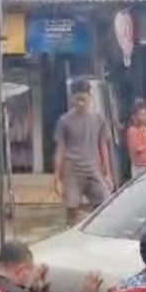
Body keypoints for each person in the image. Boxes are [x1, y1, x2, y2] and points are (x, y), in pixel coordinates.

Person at [54, 80, 114, 226]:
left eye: (83, 99)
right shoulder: (64, 121)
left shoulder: (99, 119)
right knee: (72, 207)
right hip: (72, 169)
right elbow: (60, 148)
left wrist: (108, 172)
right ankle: (70, 231)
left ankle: (92, 228)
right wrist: (57, 177)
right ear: (72, 99)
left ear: (90, 97)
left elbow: (103, 145)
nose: (80, 103)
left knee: (105, 201)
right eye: (77, 99)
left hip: (93, 167)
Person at [126, 100, 146, 179]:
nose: (145, 117)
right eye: (142, 115)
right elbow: (137, 149)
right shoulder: (132, 131)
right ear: (134, 117)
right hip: (140, 168)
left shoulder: (144, 129)